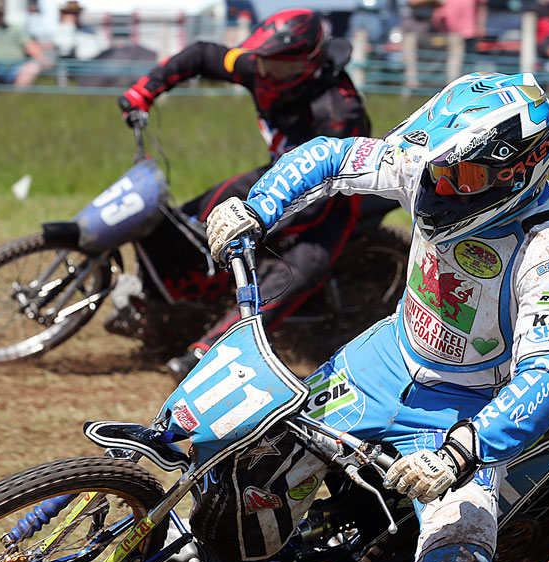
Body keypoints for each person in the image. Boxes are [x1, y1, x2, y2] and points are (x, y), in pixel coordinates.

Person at [204, 72, 549, 562]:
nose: (439, 185)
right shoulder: (434, 168)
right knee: (259, 454)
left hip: (468, 408)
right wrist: (255, 207)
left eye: (462, 175)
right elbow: (328, 156)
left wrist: (463, 451)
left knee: (463, 538)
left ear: (516, 171)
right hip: (382, 359)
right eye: (440, 168)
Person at [114, 8, 371, 381]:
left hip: (330, 198)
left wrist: (264, 223)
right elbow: (201, 53)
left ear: (307, 64)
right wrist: (146, 90)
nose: (264, 73)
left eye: (277, 67)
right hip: (277, 173)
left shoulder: (338, 111)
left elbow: (325, 192)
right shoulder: (259, 66)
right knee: (211, 204)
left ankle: (210, 350)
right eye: (262, 62)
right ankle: (160, 291)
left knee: (302, 267)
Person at [0, 0, 50, 88]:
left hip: (15, 68)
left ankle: (15, 99)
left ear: (3, 13)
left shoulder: (15, 30)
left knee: (33, 67)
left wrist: (43, 59)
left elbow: (31, 47)